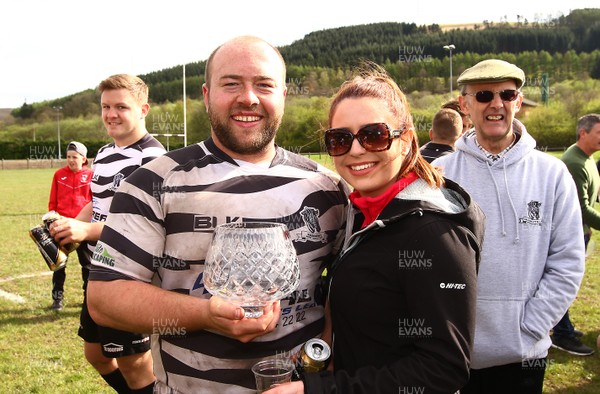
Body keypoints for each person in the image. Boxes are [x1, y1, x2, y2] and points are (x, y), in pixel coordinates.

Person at [85, 36, 349, 393]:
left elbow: (348, 290)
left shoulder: (328, 187)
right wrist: (206, 316)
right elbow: (105, 298)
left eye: (264, 84)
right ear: (207, 95)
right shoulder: (151, 182)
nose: (248, 97)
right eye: (232, 84)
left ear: (283, 96)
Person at [268, 63, 484, 394]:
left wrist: (319, 390)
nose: (356, 150)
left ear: (405, 140)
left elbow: (443, 369)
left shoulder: (434, 232)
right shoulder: (363, 212)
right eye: (340, 139)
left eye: (374, 135)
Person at [432, 59, 585, 393]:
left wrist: (531, 326)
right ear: (465, 104)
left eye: (507, 94)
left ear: (518, 101)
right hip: (455, 353)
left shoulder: (553, 174)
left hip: (523, 352)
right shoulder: (440, 174)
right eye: (484, 94)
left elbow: (568, 260)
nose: (496, 104)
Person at [48, 74, 167, 393]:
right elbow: (96, 203)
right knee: (97, 355)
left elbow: (142, 223)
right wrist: (70, 228)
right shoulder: (102, 153)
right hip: (98, 270)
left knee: (135, 365)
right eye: (105, 106)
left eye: (120, 106)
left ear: (143, 109)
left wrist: (86, 230)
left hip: (129, 277)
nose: (111, 114)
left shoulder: (152, 156)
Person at [550, 114, 600, 356]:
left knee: (570, 282)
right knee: (563, 281)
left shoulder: (587, 159)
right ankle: (562, 334)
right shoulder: (575, 162)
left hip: (582, 232)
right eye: (599, 133)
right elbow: (582, 207)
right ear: (584, 133)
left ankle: (564, 326)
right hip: (571, 234)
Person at [47, 141, 93, 311]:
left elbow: (94, 202)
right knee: (59, 265)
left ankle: (88, 298)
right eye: (68, 157)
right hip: (62, 226)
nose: (71, 160)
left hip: (83, 227)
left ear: (83, 159)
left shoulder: (91, 176)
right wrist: (52, 221)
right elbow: (53, 202)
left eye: (75, 157)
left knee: (87, 265)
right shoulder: (59, 175)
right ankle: (57, 299)